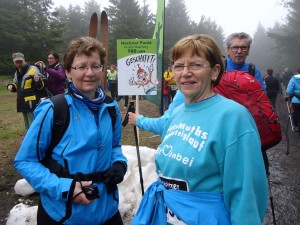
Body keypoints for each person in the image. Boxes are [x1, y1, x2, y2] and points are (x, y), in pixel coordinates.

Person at [131, 34, 267, 225]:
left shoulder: (233, 117)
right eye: (179, 66)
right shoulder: (177, 112)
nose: (185, 72)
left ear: (214, 71)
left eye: (196, 65)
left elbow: (246, 195)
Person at [14, 37, 127, 225]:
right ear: (67, 72)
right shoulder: (53, 110)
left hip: (107, 211)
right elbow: (25, 161)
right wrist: (66, 188)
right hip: (64, 215)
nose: (90, 73)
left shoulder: (111, 107)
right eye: (81, 67)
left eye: (96, 66)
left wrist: (119, 164)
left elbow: (115, 146)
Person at [7, 52, 47, 130]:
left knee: (34, 125)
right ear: (14, 62)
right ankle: (31, 139)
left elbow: (42, 86)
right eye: (16, 62)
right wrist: (11, 86)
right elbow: (16, 84)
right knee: (28, 126)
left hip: (32, 103)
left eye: (20, 62)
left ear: (24, 60)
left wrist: (38, 80)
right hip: (22, 102)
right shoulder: (17, 72)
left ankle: (36, 140)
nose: (19, 64)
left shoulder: (33, 69)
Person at [286, 67, 300, 135]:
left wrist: (289, 94)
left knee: (296, 113)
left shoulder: (294, 78)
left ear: (297, 72)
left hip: (296, 100)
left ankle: (296, 126)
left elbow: (289, 91)